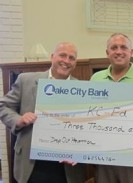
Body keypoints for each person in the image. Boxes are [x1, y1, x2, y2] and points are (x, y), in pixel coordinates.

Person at [0, 42, 86, 183]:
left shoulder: (83, 90)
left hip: (67, 168)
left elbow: (88, 127)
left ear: (75, 63)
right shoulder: (26, 80)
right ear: (52, 57)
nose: (66, 61)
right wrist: (19, 119)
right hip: (31, 164)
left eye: (72, 58)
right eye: (62, 55)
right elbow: (4, 106)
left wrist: (80, 152)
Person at [90, 33, 133, 183]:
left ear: (131, 52)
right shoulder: (95, 79)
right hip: (104, 157)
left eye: (123, 47)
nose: (119, 51)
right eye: (114, 47)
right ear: (107, 53)